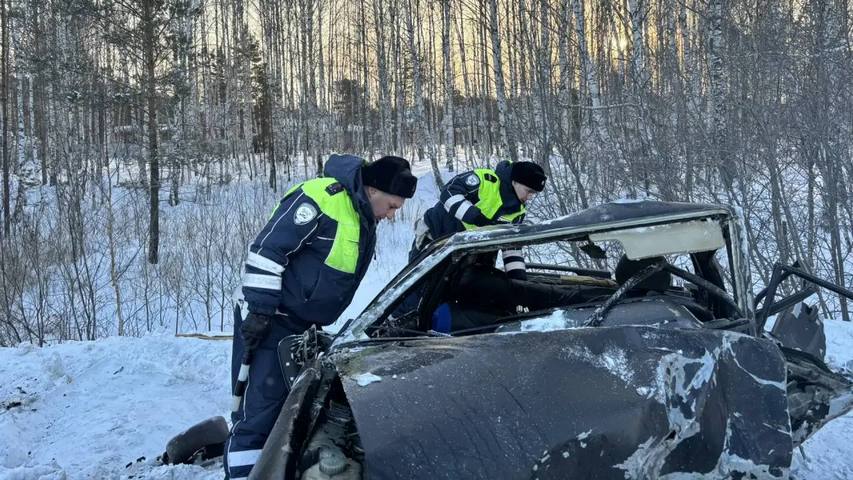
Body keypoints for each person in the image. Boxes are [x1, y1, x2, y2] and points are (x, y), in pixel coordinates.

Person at [224, 154, 417, 480]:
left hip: (302, 327)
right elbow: (268, 250)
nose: (392, 215)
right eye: (392, 206)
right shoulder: (321, 198)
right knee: (257, 417)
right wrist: (259, 312)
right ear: (373, 190)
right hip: (269, 319)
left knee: (287, 414)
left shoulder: (362, 214)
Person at [410, 160, 547, 280]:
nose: (530, 197)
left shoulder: (518, 212)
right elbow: (449, 193)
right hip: (435, 239)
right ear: (515, 181)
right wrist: (476, 217)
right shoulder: (485, 181)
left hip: (467, 255)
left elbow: (511, 247)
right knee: (418, 291)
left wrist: (518, 281)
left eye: (534, 194)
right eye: (528, 191)